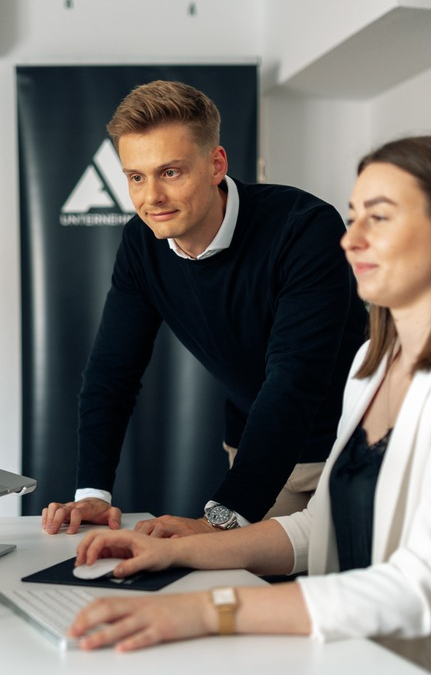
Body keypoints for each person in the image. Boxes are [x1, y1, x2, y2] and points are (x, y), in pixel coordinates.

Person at [64, 136, 431, 674]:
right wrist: (179, 551)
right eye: (353, 219)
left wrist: (208, 609)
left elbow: (428, 584)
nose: (351, 240)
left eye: (378, 218)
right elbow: (319, 529)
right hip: (376, 656)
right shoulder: (370, 367)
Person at [42, 81, 367, 537]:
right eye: (136, 177)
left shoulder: (303, 228)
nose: (151, 197)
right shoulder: (141, 243)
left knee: (352, 576)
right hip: (255, 450)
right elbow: (112, 374)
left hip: (350, 447)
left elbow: (293, 380)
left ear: (216, 165)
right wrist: (93, 493)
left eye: (170, 172)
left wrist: (222, 518)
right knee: (240, 577)